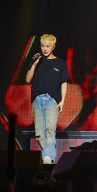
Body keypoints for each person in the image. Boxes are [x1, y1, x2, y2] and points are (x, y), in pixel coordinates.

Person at [25, 34, 70, 165]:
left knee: (50, 130)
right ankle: (48, 160)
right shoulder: (36, 60)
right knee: (39, 132)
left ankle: (47, 159)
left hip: (52, 100)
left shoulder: (60, 63)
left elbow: (64, 82)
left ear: (53, 47)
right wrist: (34, 64)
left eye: (48, 46)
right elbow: (27, 79)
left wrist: (62, 101)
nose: (45, 49)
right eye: (43, 46)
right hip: (37, 99)